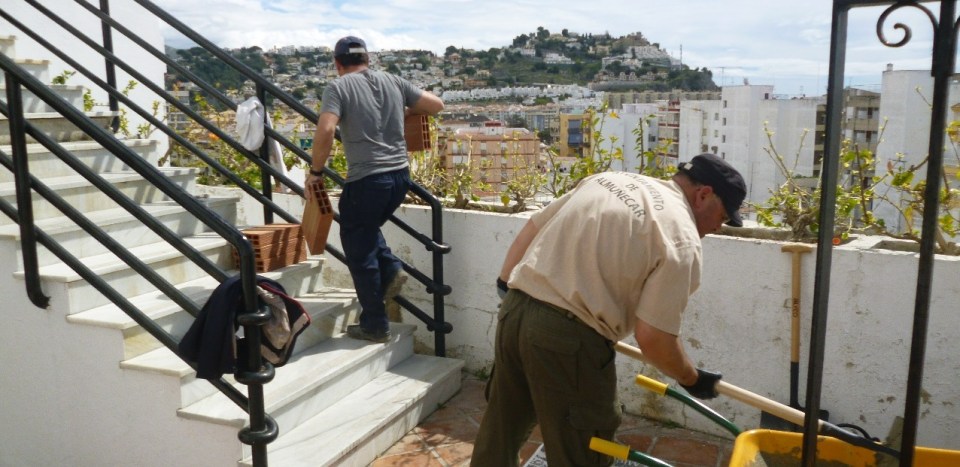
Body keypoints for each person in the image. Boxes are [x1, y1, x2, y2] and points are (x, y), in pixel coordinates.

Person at [471, 154, 747, 467]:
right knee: (582, 450)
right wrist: (690, 377)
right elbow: (653, 338)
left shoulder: (609, 181)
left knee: (500, 431)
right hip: (569, 341)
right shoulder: (681, 238)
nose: (718, 228)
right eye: (723, 217)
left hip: (515, 310)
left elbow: (533, 227)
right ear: (704, 195)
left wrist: (505, 286)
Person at [306, 36, 444, 343]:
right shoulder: (393, 81)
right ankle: (391, 268)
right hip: (399, 178)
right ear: (368, 60)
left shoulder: (338, 88)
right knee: (367, 231)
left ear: (337, 64)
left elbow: (326, 129)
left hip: (367, 180)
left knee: (359, 248)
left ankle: (375, 324)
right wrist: (404, 112)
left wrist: (315, 173)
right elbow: (436, 105)